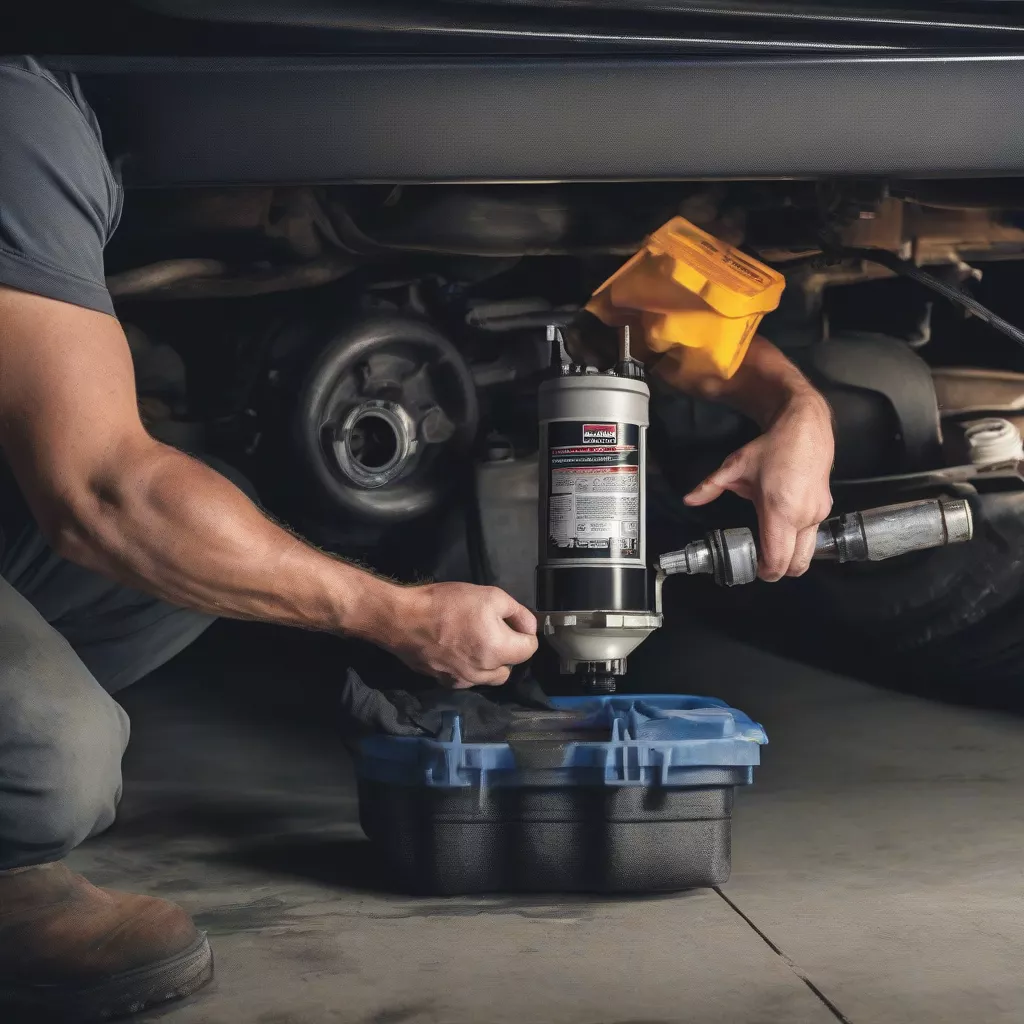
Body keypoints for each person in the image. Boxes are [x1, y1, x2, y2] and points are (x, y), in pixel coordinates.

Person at [0, 56, 834, 1021]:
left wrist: (796, 405)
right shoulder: (23, 108)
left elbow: (630, 291)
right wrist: (393, 615)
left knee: (193, 540)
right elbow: (102, 492)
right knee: (49, 759)